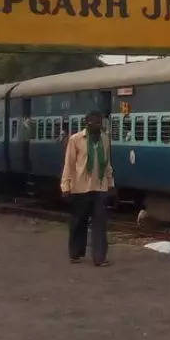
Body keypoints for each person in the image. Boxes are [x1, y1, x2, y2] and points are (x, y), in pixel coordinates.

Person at [61, 110, 115, 267]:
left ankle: (99, 257)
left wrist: (111, 184)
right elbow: (69, 165)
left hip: (100, 187)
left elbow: (107, 164)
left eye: (100, 123)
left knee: (100, 223)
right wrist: (66, 186)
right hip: (80, 187)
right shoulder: (76, 140)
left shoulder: (105, 139)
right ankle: (76, 253)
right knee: (78, 221)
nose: (98, 126)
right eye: (94, 123)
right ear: (88, 124)